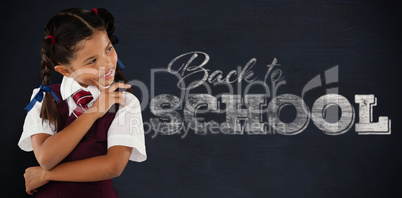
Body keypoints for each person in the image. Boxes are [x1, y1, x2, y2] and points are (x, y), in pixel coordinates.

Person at [18, 8, 147, 197]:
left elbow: (113, 166)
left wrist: (46, 174)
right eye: (92, 61)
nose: (107, 64)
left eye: (108, 49)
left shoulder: (125, 101)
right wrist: (94, 111)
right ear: (65, 71)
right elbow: (46, 157)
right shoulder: (44, 97)